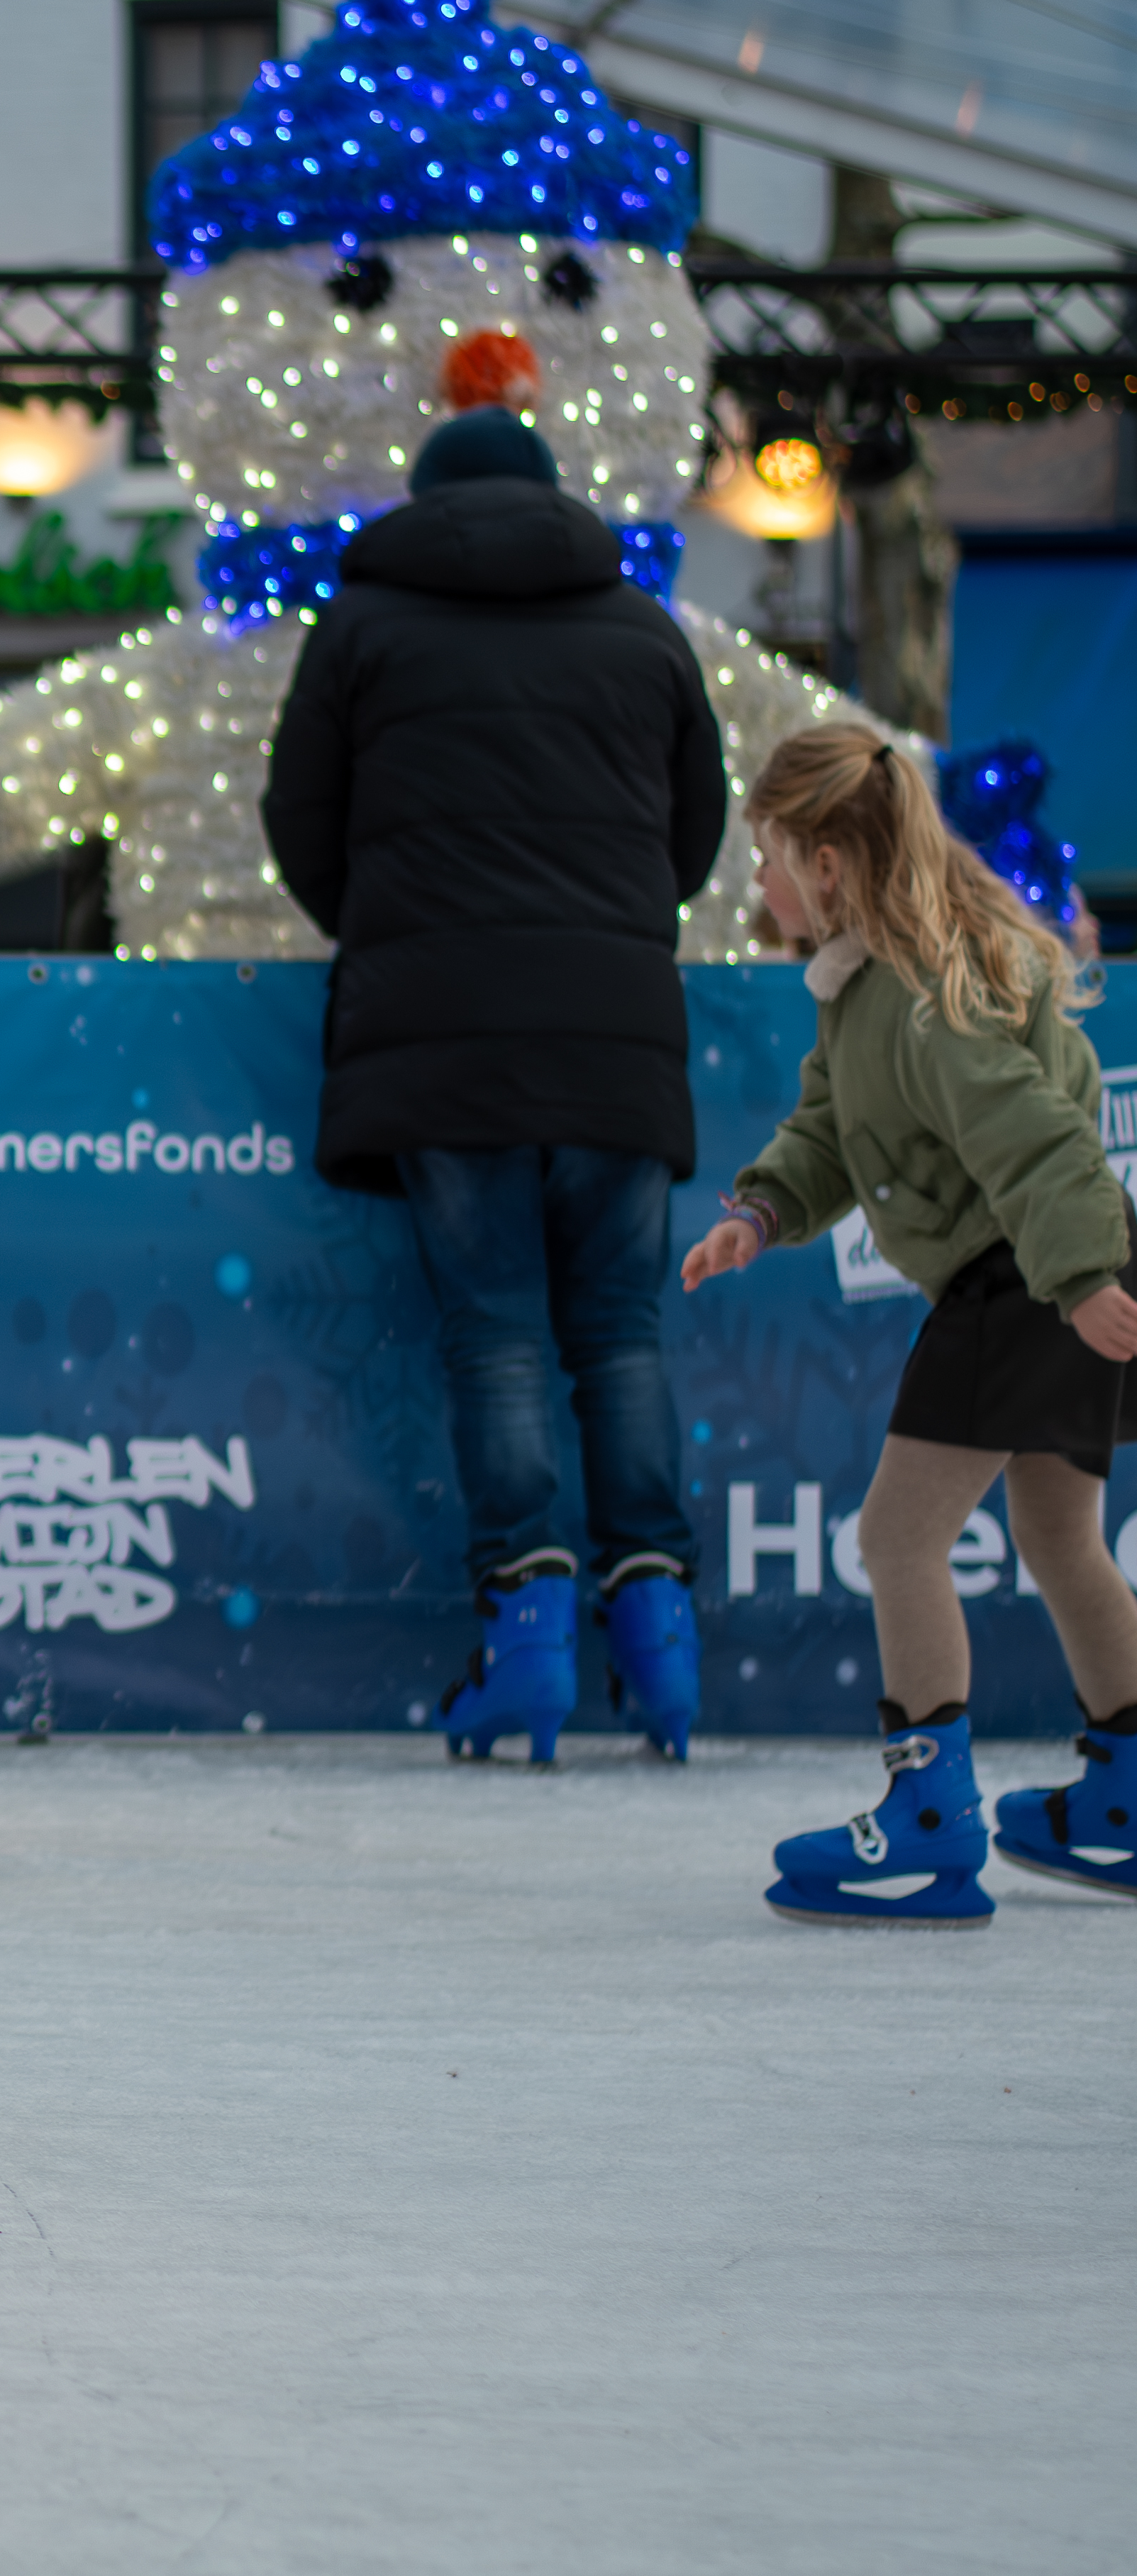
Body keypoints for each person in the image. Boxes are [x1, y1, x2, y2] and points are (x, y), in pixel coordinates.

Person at [263, 402, 729, 1766]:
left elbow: (298, 817)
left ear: (421, 500)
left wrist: (389, 928)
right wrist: (617, 920)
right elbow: (695, 829)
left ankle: (524, 1636)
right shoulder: (643, 626)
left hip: (442, 1030)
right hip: (612, 1028)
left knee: (498, 1338)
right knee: (621, 1334)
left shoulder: (359, 626)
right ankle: (659, 1636)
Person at [685, 725, 1137, 1924]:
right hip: (1052, 1267)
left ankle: (930, 1819)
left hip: (1026, 1273)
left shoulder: (928, 996)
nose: (758, 884)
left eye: (768, 857)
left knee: (895, 1537)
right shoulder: (867, 986)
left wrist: (1080, 1276)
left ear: (828, 862)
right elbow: (826, 1130)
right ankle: (1126, 1793)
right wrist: (759, 1212)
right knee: (1058, 1537)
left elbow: (1031, 1136)